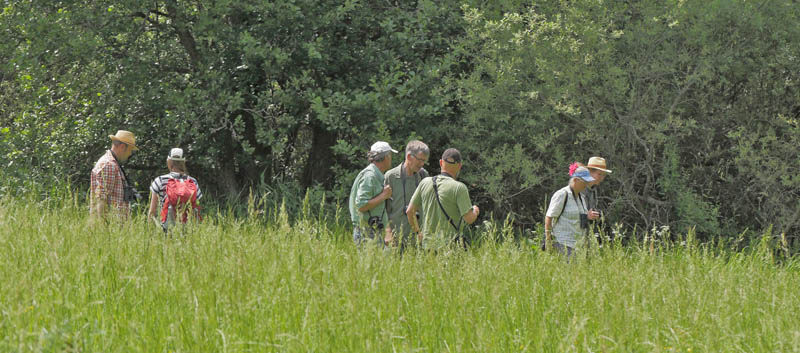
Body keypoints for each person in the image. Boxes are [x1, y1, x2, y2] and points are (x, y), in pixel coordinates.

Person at [406, 148, 480, 251]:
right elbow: (469, 219)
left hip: (427, 246)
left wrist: (418, 232)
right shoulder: (459, 188)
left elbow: (410, 211)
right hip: (450, 247)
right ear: (459, 166)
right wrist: (475, 211)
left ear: (441, 162)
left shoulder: (425, 182)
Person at [384, 140, 430, 250]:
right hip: (396, 240)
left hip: (419, 239)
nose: (422, 164)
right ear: (409, 156)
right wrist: (387, 232)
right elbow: (383, 209)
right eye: (420, 160)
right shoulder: (391, 177)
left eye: (424, 161)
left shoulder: (423, 176)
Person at [348, 141, 396, 246]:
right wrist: (384, 196)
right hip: (366, 233)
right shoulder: (369, 176)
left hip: (373, 230)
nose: (391, 158)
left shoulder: (376, 175)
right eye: (390, 155)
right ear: (385, 157)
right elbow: (360, 205)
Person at [544, 166, 596, 258]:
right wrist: (548, 240)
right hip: (561, 243)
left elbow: (578, 218)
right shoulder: (562, 194)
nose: (586, 184)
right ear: (576, 180)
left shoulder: (582, 197)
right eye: (585, 182)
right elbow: (549, 216)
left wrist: (588, 217)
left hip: (577, 245)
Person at [147, 148, 203, 228]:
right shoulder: (192, 181)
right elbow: (196, 207)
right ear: (183, 162)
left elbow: (152, 211)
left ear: (169, 162)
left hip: (167, 228)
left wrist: (150, 231)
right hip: (189, 229)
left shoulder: (160, 180)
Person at [90, 130, 139, 220]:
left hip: (116, 227)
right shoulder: (109, 165)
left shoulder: (113, 164)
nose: (130, 154)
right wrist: (103, 229)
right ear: (122, 147)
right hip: (110, 227)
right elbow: (101, 199)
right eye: (130, 150)